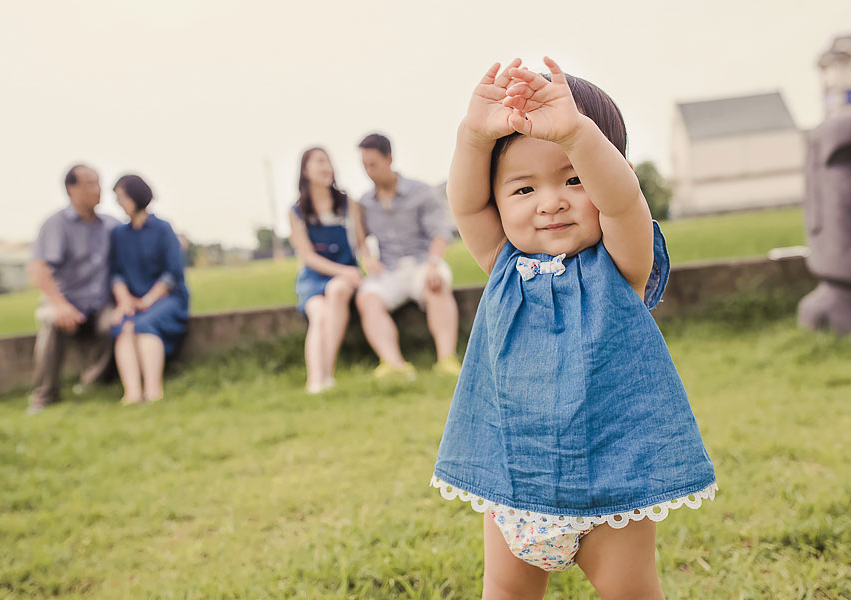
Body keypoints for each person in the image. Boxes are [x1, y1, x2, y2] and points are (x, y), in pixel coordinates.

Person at [430, 58, 717, 599]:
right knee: (506, 592)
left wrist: (576, 133)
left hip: (611, 483)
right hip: (512, 479)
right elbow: (464, 202)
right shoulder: (502, 262)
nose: (551, 201)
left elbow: (624, 200)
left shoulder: (621, 262)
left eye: (574, 177)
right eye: (522, 189)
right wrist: (473, 137)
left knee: (631, 592)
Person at [355, 133, 460, 378]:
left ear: (389, 159)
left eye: (373, 164)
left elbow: (440, 234)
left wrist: (434, 264)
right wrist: (368, 259)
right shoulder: (364, 203)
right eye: (364, 166)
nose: (369, 171)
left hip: (424, 263)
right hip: (390, 270)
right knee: (367, 298)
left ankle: (446, 359)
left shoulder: (420, 192)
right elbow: (361, 241)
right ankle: (394, 365)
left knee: (436, 284)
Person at [27, 164, 120, 414]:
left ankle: (93, 383)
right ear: (71, 189)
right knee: (52, 323)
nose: (97, 189)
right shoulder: (56, 225)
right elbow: (38, 269)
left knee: (116, 322)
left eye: (98, 183)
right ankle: (44, 396)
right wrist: (59, 305)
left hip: (101, 304)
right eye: (90, 184)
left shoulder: (111, 225)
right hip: (65, 301)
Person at [109, 174, 189, 405]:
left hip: (167, 299)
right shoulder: (119, 235)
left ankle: (153, 391)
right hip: (133, 300)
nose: (119, 203)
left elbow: (172, 273)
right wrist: (124, 301)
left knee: (143, 324)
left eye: (122, 197)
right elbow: (116, 273)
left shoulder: (162, 229)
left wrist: (147, 300)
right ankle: (132, 393)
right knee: (124, 327)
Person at [288, 147, 361, 393]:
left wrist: (364, 265)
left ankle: (327, 373)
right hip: (313, 278)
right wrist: (342, 271)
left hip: (345, 275)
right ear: (305, 170)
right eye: (319, 162)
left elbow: (360, 243)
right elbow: (307, 257)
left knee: (338, 291)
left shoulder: (348, 204)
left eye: (328, 161)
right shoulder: (296, 212)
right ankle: (315, 380)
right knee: (319, 315)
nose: (325, 167)